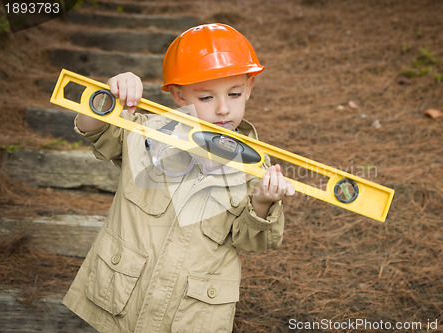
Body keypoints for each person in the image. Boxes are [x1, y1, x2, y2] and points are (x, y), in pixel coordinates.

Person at [63, 23, 295, 332]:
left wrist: (263, 202)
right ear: (179, 95)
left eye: (235, 93)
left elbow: (255, 240)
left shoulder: (255, 167)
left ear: (249, 88)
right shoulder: (148, 135)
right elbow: (95, 128)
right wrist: (110, 93)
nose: (223, 109)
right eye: (206, 98)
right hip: (120, 300)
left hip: (190, 314)